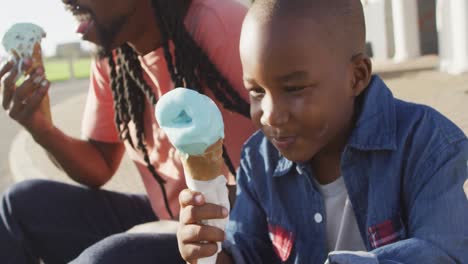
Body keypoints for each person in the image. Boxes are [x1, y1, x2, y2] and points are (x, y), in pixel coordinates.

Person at [177, 0, 468, 263]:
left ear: (356, 77)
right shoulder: (258, 159)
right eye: (256, 91)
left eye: (294, 89)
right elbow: (248, 253)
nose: (270, 114)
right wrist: (209, 251)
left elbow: (445, 252)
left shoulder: (426, 142)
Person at [0, 0, 256, 263]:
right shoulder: (113, 55)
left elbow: (289, 163)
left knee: (107, 258)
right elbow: (99, 164)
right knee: (20, 204)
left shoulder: (220, 23)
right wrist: (42, 130)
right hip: (169, 214)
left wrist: (194, 216)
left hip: (239, 228)